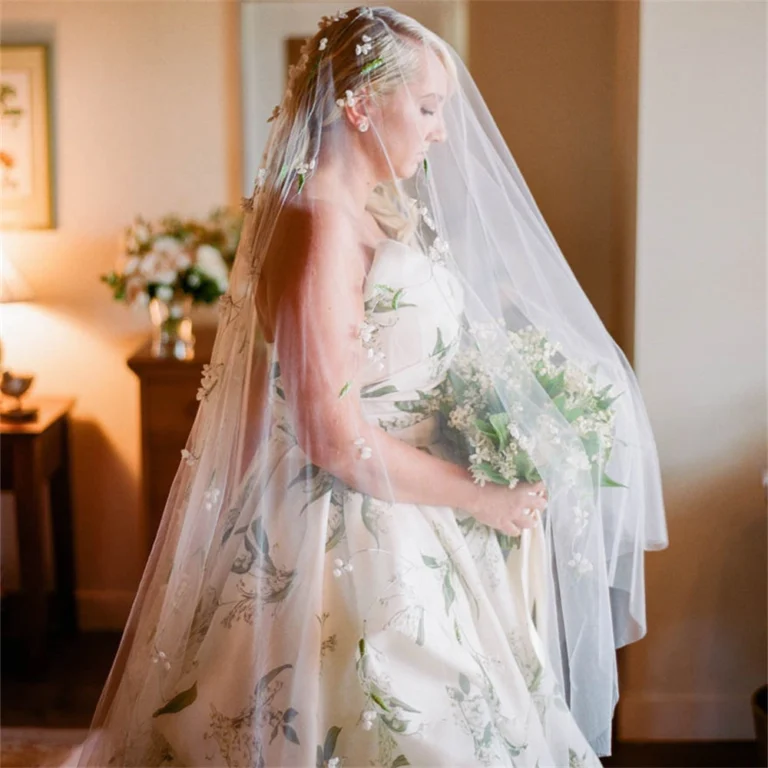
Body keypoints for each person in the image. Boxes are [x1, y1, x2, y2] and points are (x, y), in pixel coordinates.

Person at [77, 7, 668, 767]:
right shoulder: (321, 223)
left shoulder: (364, 211)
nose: (441, 131)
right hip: (351, 533)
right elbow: (334, 437)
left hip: (406, 504)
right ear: (359, 103)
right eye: (427, 108)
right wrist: (482, 494)